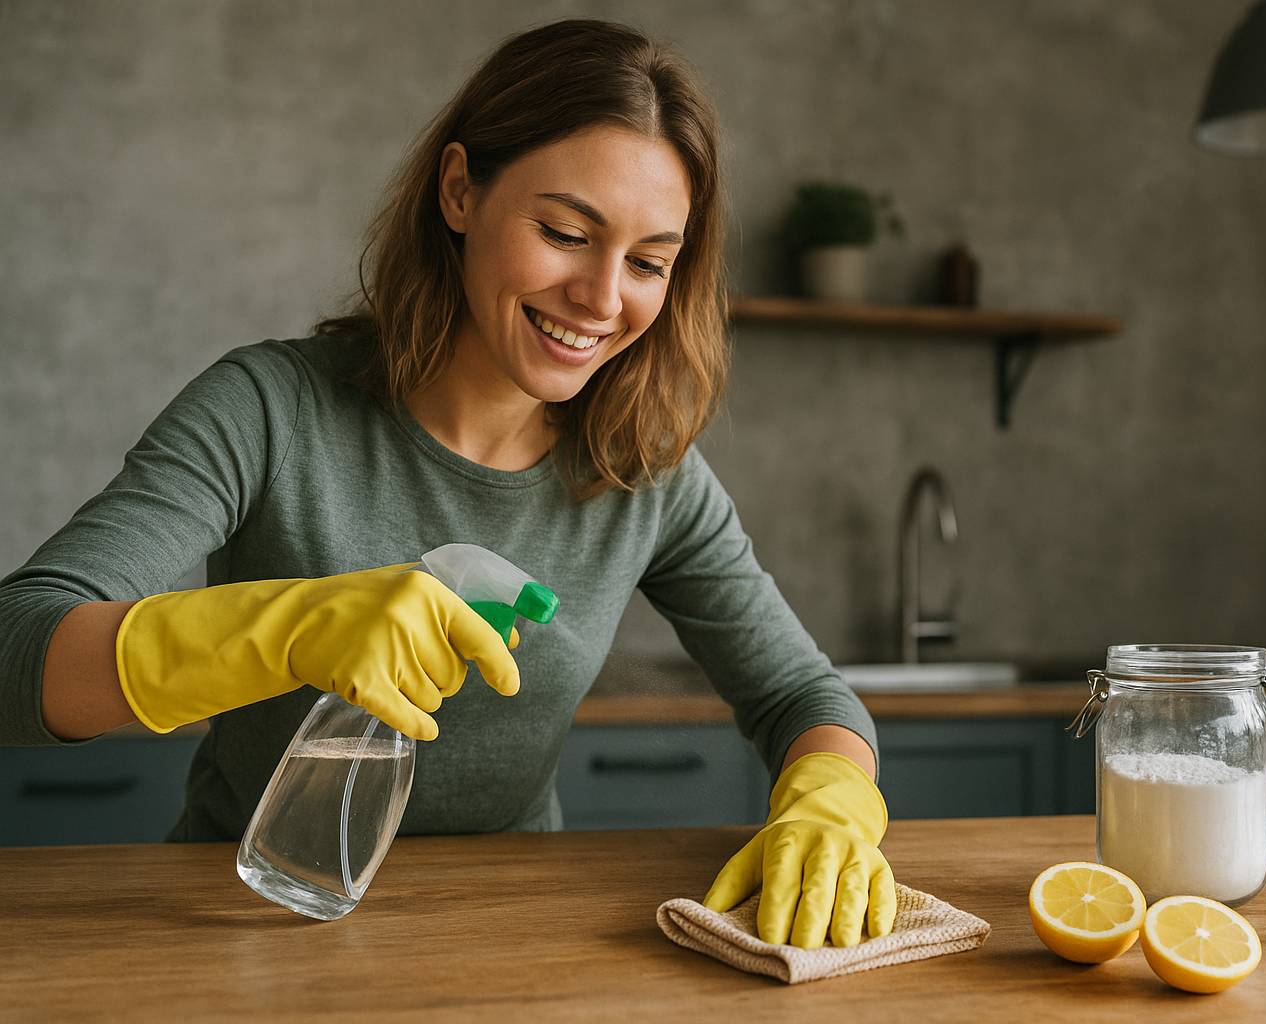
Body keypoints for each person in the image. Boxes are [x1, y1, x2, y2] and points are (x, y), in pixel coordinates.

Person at [0, 19, 894, 949]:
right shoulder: (269, 409)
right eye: (564, 232)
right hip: (243, 927)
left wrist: (830, 800)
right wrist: (289, 629)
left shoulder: (643, 470)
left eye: (648, 263)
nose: (600, 296)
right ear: (460, 189)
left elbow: (804, 695)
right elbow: (13, 648)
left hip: (513, 941)